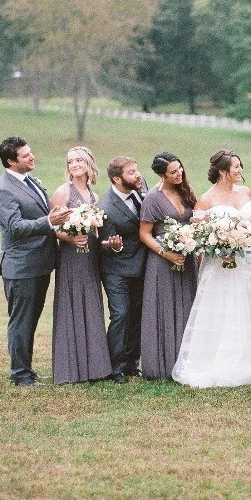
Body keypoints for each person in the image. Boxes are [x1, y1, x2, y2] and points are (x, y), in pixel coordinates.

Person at [172, 150, 251, 388]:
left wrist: (240, 241)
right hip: (219, 265)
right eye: (236, 167)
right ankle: (220, 361)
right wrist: (220, 248)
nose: (241, 171)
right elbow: (198, 237)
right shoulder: (206, 199)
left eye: (240, 166)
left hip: (248, 261)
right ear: (223, 172)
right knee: (222, 307)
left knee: (249, 304)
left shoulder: (247, 192)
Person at [0, 136, 72, 387]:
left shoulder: (29, 181)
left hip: (40, 263)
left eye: (30, 152)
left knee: (32, 320)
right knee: (21, 322)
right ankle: (20, 374)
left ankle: (27, 369)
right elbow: (15, 228)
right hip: (21, 267)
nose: (32, 156)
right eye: (26, 155)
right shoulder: (3, 190)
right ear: (11, 162)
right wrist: (50, 222)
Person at [49, 146, 114, 384]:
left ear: (88, 163)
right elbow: (54, 227)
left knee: (92, 305)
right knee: (72, 304)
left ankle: (95, 367)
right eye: (70, 161)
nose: (74, 164)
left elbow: (96, 230)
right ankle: (71, 369)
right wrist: (70, 237)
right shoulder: (63, 192)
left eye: (78, 160)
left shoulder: (95, 197)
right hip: (71, 256)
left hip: (90, 257)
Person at [138, 151, 198, 380]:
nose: (179, 173)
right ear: (162, 175)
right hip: (162, 262)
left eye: (180, 168)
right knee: (164, 309)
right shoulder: (153, 198)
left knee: (187, 306)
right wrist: (167, 253)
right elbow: (144, 234)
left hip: (187, 259)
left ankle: (187, 361)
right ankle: (162, 363)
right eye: (173, 172)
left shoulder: (187, 191)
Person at [98, 156, 148, 382]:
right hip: (116, 269)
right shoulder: (106, 207)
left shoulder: (139, 188)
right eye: (131, 172)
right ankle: (114, 366)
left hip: (141, 265)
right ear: (117, 179)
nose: (137, 175)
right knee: (121, 314)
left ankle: (131, 363)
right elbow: (103, 245)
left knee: (137, 315)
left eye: (136, 170)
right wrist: (113, 246)